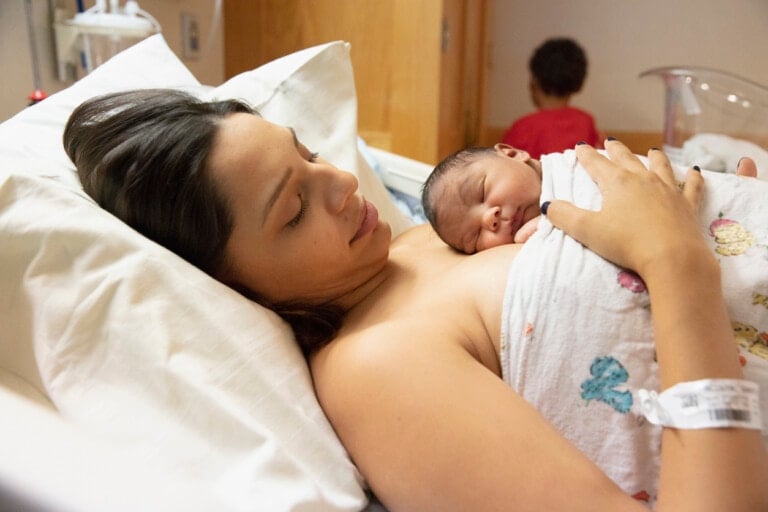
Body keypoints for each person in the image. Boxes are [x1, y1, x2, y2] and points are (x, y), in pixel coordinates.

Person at [63, 89, 768, 511]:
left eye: (307, 153)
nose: (342, 182)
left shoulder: (419, 239)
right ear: (238, 287)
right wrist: (678, 261)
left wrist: (728, 221)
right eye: (294, 210)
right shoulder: (374, 367)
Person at [421, 141, 761, 254]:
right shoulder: (527, 246)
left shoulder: (574, 167)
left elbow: (640, 182)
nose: (489, 218)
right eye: (474, 238)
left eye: (482, 192)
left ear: (512, 153)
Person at [501, 37, 601, 159]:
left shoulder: (522, 127)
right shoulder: (586, 122)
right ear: (578, 83)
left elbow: (502, 164)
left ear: (533, 80)